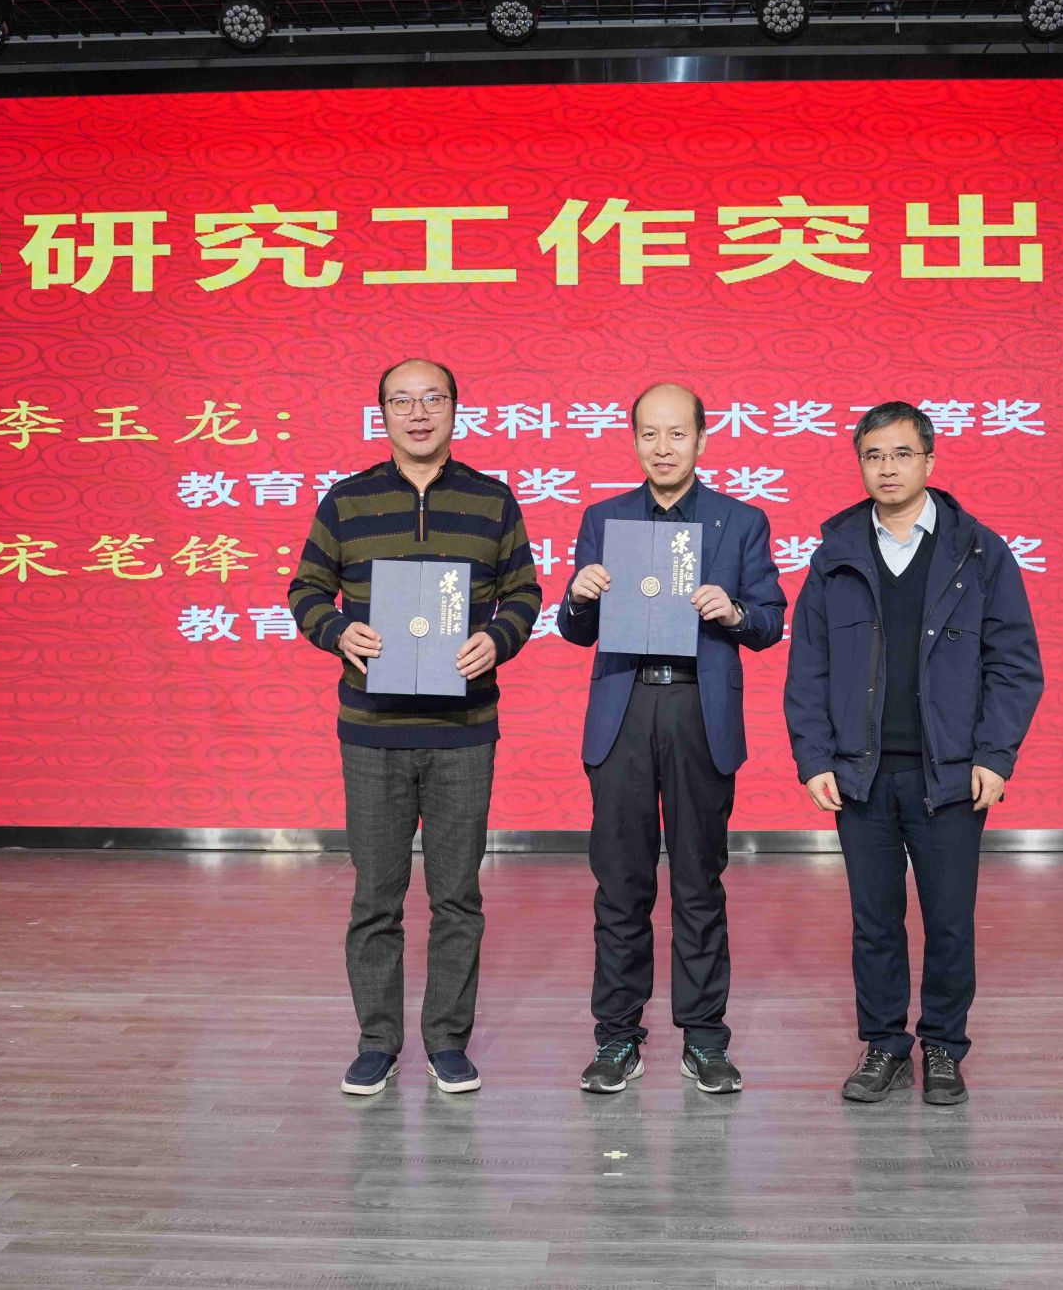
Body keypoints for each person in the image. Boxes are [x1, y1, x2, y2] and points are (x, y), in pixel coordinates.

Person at [289, 358, 542, 1097]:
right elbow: (305, 589)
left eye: (433, 398)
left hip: (464, 729)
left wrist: (496, 638)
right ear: (383, 415)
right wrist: (339, 630)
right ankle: (377, 1042)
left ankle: (448, 1041)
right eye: (402, 401)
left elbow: (525, 592)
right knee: (377, 895)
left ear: (456, 409)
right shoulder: (347, 501)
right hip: (373, 731)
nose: (419, 412)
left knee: (457, 896)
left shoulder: (492, 501)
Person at [782, 400, 1043, 1106]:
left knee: (949, 921)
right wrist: (814, 758)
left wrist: (994, 755)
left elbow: (1015, 664)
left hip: (949, 774)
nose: (888, 468)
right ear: (860, 464)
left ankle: (944, 1048)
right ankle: (884, 1045)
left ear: (930, 460)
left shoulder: (979, 551)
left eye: (902, 454)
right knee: (874, 923)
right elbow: (808, 667)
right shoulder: (835, 555)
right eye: (874, 455)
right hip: (861, 774)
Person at [558, 382, 787, 1094]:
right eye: (649, 434)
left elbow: (770, 621)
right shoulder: (604, 518)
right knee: (620, 883)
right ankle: (617, 1037)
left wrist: (734, 610)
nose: (663, 447)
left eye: (677, 433)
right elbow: (574, 630)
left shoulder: (740, 521)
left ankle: (705, 1038)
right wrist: (578, 596)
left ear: (702, 439)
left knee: (698, 882)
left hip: (697, 708)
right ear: (633, 440)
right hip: (624, 708)